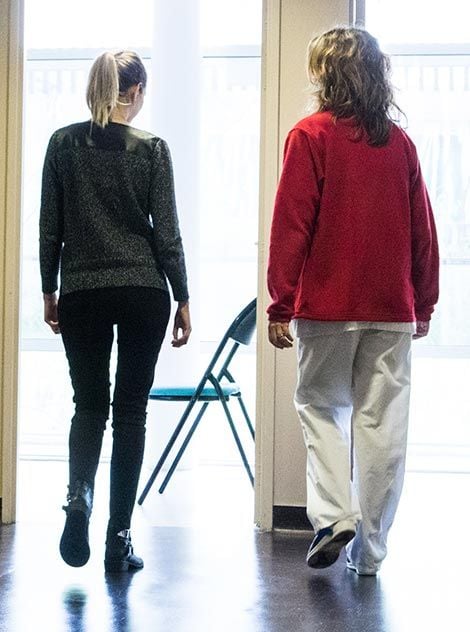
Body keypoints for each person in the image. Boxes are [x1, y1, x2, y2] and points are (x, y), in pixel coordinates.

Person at [267, 27, 439, 576]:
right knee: (382, 425)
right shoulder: (399, 144)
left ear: (324, 74)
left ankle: (334, 516)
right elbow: (423, 231)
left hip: (326, 305)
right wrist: (424, 302)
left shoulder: (309, 135)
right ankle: (370, 554)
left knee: (320, 407)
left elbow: (292, 225)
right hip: (391, 309)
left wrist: (280, 302)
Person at [39, 50, 191, 572]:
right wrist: (183, 295)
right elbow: (167, 233)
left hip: (82, 290)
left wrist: (48, 290)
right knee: (130, 412)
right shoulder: (152, 149)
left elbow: (50, 227)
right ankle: (118, 538)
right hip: (143, 290)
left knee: (88, 406)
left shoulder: (62, 145)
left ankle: (78, 498)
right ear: (136, 91)